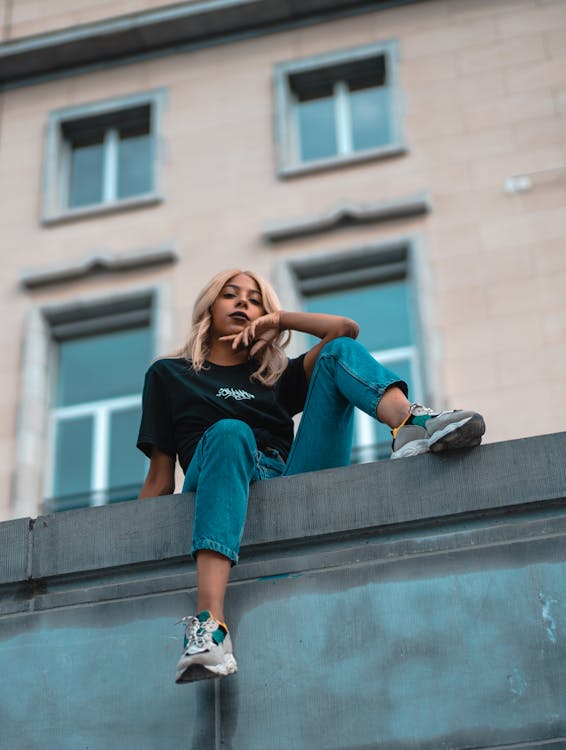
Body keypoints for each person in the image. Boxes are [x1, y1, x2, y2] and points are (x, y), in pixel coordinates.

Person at [136, 269, 485, 684]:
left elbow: (345, 331)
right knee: (231, 432)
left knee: (337, 350)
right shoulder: (169, 375)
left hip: (288, 478)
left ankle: (407, 423)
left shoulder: (272, 377)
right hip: (217, 477)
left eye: (255, 299)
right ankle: (210, 626)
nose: (243, 304)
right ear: (209, 307)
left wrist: (280, 320)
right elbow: (160, 477)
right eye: (230, 295)